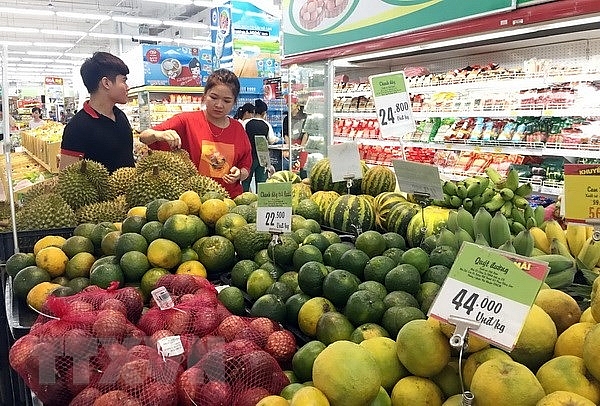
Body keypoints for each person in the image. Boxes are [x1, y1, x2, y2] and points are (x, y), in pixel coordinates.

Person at [139, 68, 252, 198]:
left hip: (231, 202)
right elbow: (144, 136)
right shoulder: (186, 121)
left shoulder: (237, 128)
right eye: (213, 97)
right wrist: (159, 135)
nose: (219, 105)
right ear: (204, 96)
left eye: (226, 101)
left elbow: (245, 167)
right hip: (192, 202)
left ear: (234, 102)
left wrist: (239, 174)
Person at [59, 52, 135, 173]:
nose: (127, 87)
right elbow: (66, 175)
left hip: (131, 185)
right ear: (106, 83)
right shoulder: (77, 127)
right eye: (124, 81)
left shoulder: (120, 116)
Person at [242, 99, 280, 192]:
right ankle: (260, 200)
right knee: (261, 183)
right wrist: (277, 139)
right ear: (264, 113)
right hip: (262, 158)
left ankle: (244, 198)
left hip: (248, 157)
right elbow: (271, 140)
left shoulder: (246, 123)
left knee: (245, 182)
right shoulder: (266, 124)